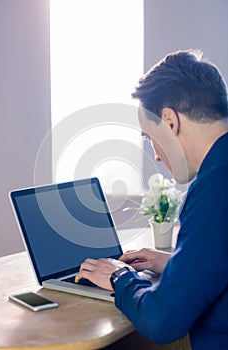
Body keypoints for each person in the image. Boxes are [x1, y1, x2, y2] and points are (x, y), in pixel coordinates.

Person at [75, 50, 228, 350]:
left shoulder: (215, 186)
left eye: (149, 136)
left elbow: (163, 321)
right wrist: (176, 265)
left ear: (170, 122)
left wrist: (121, 278)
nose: (156, 155)